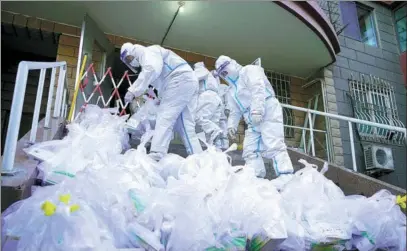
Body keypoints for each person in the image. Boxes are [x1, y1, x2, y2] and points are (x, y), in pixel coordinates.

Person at [214, 55, 294, 186]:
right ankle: (256, 176)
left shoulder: (249, 70)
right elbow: (235, 111)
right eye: (221, 73)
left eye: (225, 69)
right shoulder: (231, 90)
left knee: (273, 143)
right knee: (250, 149)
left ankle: (286, 175)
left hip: (267, 108)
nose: (225, 74)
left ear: (232, 64)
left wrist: (257, 110)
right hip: (251, 119)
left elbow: (258, 88)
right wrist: (231, 126)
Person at [120, 43, 202, 160]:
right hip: (187, 81)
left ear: (132, 51)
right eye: (127, 61)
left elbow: (152, 70)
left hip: (179, 79)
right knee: (185, 125)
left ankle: (157, 154)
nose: (130, 61)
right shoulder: (150, 56)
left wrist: (133, 90)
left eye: (129, 58)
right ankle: (199, 159)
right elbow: (162, 80)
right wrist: (161, 98)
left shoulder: (147, 52)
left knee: (164, 117)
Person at [193, 62, 223, 148]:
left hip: (207, 96)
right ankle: (215, 147)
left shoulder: (201, 70)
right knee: (212, 122)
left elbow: (192, 78)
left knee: (197, 117)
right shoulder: (211, 77)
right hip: (216, 99)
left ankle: (214, 130)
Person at [217, 81, 230, 151]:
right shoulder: (208, 86)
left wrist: (227, 108)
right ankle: (217, 145)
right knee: (215, 129)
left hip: (221, 112)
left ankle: (225, 145)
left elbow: (227, 100)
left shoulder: (224, 87)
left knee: (223, 128)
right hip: (213, 111)